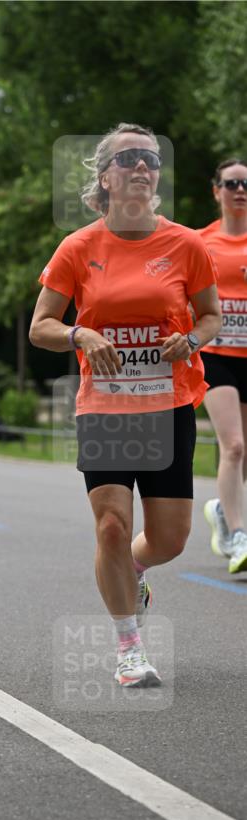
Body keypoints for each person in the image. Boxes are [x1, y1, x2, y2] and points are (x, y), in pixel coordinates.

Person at [30, 123, 220, 689]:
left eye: (151, 158)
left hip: (168, 405)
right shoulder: (78, 247)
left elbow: (210, 316)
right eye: (129, 158)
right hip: (106, 408)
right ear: (106, 177)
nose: (142, 166)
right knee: (112, 526)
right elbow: (42, 327)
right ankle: (129, 647)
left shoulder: (186, 244)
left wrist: (193, 340)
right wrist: (79, 336)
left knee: (169, 540)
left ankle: (136, 569)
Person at [198, 159, 247, 575]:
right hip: (215, 357)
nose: (240, 190)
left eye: (246, 183)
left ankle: (220, 510)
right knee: (233, 446)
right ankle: (237, 536)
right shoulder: (199, 242)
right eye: (231, 183)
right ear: (216, 191)